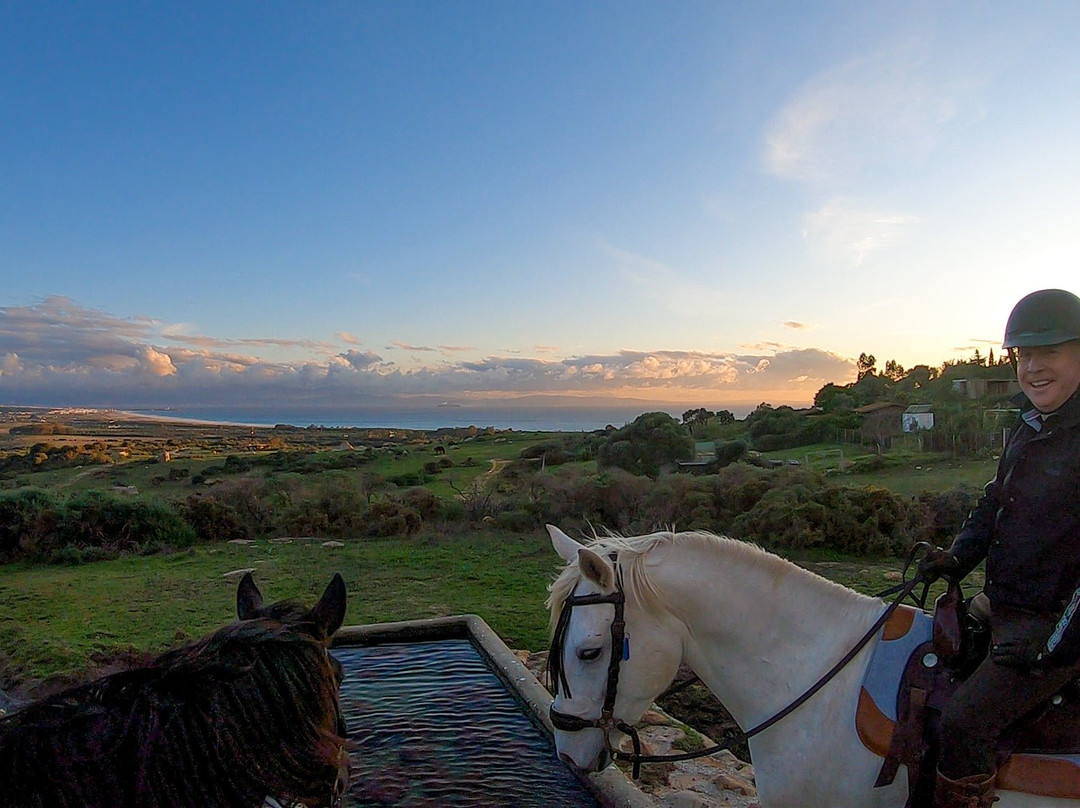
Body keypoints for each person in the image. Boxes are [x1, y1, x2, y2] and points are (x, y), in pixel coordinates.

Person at [917, 288, 1080, 808]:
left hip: (1056, 624)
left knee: (965, 723)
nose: (1032, 367)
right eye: (1022, 355)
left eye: (1048, 351)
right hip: (1008, 604)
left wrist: (1052, 646)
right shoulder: (1027, 425)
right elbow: (995, 504)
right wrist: (959, 556)